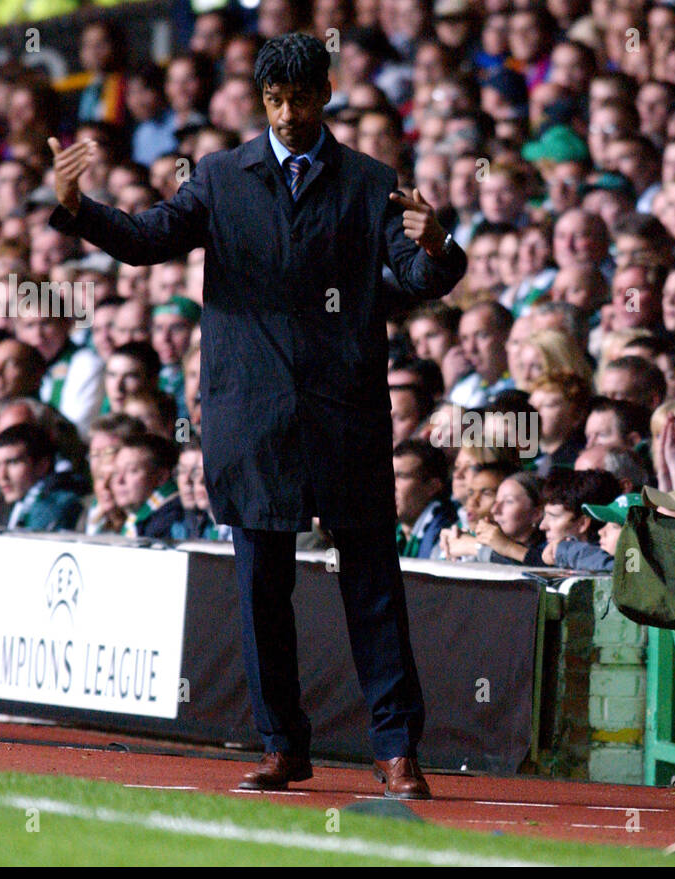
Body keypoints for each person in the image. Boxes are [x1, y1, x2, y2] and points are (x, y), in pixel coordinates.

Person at [48, 33, 465, 799]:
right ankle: (282, 746)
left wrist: (439, 244)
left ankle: (398, 749)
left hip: (346, 416)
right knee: (260, 591)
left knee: (373, 587)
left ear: (327, 91)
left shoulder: (372, 182)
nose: (289, 112)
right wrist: (77, 209)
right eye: (275, 99)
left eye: (301, 96)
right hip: (252, 418)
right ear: (259, 99)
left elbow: (415, 275)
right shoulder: (218, 177)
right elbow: (147, 242)